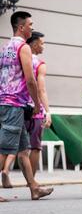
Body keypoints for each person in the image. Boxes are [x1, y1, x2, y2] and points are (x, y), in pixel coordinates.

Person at [0, 11, 53, 201]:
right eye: (30, 24)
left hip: (9, 103)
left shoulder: (5, 47)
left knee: (23, 150)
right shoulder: (23, 48)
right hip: (14, 104)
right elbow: (30, 80)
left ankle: (34, 188)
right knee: (5, 148)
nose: (32, 27)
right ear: (21, 27)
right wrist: (38, 105)